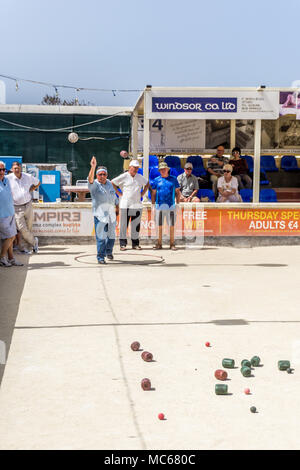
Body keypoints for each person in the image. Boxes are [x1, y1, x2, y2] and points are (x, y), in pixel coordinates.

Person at [111, 160, 149, 251]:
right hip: (125, 204)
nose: (135, 169)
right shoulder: (124, 176)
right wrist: (119, 194)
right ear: (130, 167)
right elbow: (112, 182)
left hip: (136, 205)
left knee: (136, 226)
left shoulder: (140, 177)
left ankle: (135, 244)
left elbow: (147, 184)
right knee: (124, 225)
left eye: (137, 168)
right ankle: (122, 244)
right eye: (134, 167)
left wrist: (143, 193)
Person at [88, 156, 119, 264]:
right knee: (101, 238)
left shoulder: (109, 183)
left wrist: (117, 207)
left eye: (104, 174)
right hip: (100, 216)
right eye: (100, 174)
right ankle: (100, 257)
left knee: (111, 237)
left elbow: (114, 196)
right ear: (97, 175)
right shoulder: (95, 185)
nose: (102, 176)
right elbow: (90, 180)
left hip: (111, 215)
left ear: (107, 175)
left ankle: (108, 251)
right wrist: (93, 167)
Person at [7, 161, 40, 254]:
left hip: (28, 205)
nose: (16, 170)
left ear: (21, 168)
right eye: (15, 168)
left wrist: (31, 189)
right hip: (16, 207)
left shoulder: (27, 176)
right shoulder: (7, 178)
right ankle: (34, 242)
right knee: (22, 228)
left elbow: (38, 182)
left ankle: (27, 248)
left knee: (29, 228)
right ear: (12, 169)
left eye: (18, 168)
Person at [151, 161, 181, 250]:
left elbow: (177, 192)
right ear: (159, 171)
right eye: (161, 170)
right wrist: (153, 204)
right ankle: (159, 244)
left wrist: (178, 204)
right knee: (159, 225)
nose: (163, 171)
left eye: (164, 169)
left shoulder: (173, 179)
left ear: (168, 170)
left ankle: (172, 244)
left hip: (171, 205)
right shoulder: (157, 180)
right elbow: (153, 193)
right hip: (159, 206)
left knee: (171, 225)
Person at [0, 161, 23, 267]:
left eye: (3, 169)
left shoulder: (6, 180)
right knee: (10, 237)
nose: (1, 172)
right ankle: (1, 258)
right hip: (1, 216)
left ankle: (11, 259)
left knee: (12, 237)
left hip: (10, 213)